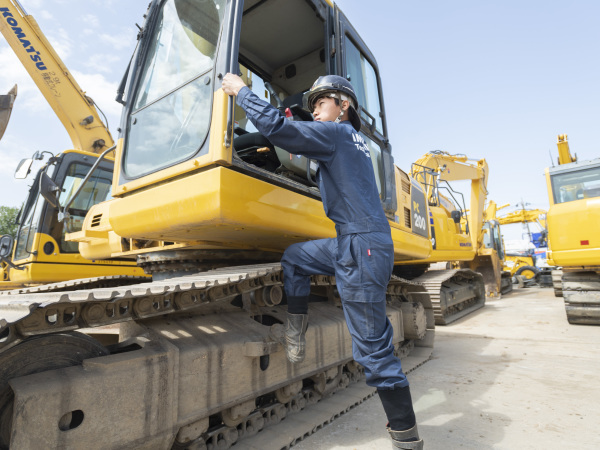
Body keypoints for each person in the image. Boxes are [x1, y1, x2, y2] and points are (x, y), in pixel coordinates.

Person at [222, 73, 423, 449]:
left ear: (343, 105)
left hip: (361, 246)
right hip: (353, 241)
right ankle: (295, 336)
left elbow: (275, 128)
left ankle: (407, 439)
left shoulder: (337, 133)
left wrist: (242, 91)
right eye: (312, 105)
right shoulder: (351, 141)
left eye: (320, 103)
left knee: (373, 351)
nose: (315, 110)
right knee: (295, 258)